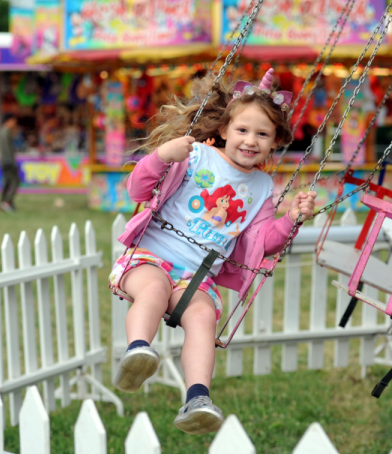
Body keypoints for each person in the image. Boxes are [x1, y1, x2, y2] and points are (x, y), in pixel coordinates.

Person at [108, 70, 315, 434]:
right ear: (223, 130)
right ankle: (137, 351)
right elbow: (138, 189)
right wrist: (160, 156)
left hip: (196, 277)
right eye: (243, 130)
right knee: (154, 291)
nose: (251, 141)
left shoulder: (262, 186)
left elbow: (264, 241)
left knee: (204, 318)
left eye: (262, 134)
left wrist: (292, 218)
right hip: (150, 257)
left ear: (274, 143)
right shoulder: (197, 155)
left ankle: (197, 397)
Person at [0, 115, 20, 213]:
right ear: (9, 120)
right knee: (15, 181)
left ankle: (3, 202)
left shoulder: (4, 131)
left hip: (5, 161)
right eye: (14, 121)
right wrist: (11, 162)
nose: (15, 124)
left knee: (7, 182)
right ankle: (7, 202)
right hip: (7, 162)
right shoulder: (5, 132)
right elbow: (6, 149)